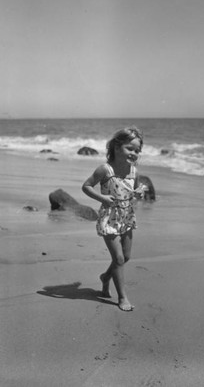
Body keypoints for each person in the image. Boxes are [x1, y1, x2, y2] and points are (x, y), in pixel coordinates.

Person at [82, 126, 145, 311]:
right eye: (130, 148)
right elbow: (86, 186)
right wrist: (101, 198)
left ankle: (105, 277)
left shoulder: (134, 171)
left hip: (126, 216)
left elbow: (132, 192)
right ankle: (122, 298)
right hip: (109, 217)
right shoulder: (105, 169)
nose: (134, 153)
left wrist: (138, 194)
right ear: (117, 147)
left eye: (137, 151)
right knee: (118, 258)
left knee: (125, 257)